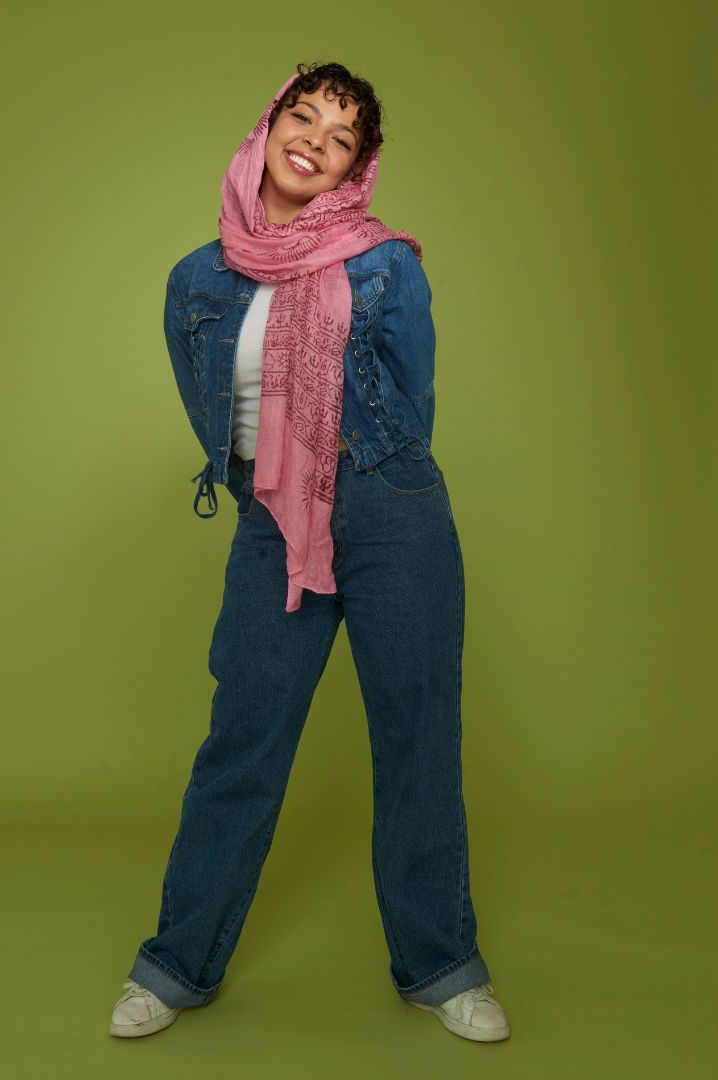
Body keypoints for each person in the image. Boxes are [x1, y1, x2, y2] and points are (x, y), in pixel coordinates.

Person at [108, 62, 509, 1043]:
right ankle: (177, 965)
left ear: (355, 167)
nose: (314, 141)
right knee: (242, 739)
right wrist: (272, 482)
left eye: (339, 136)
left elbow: (411, 398)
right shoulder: (196, 277)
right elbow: (210, 408)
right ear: (271, 125)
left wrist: (351, 470)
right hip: (271, 524)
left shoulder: (385, 266)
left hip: (389, 512)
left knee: (416, 740)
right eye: (304, 117)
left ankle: (439, 964)